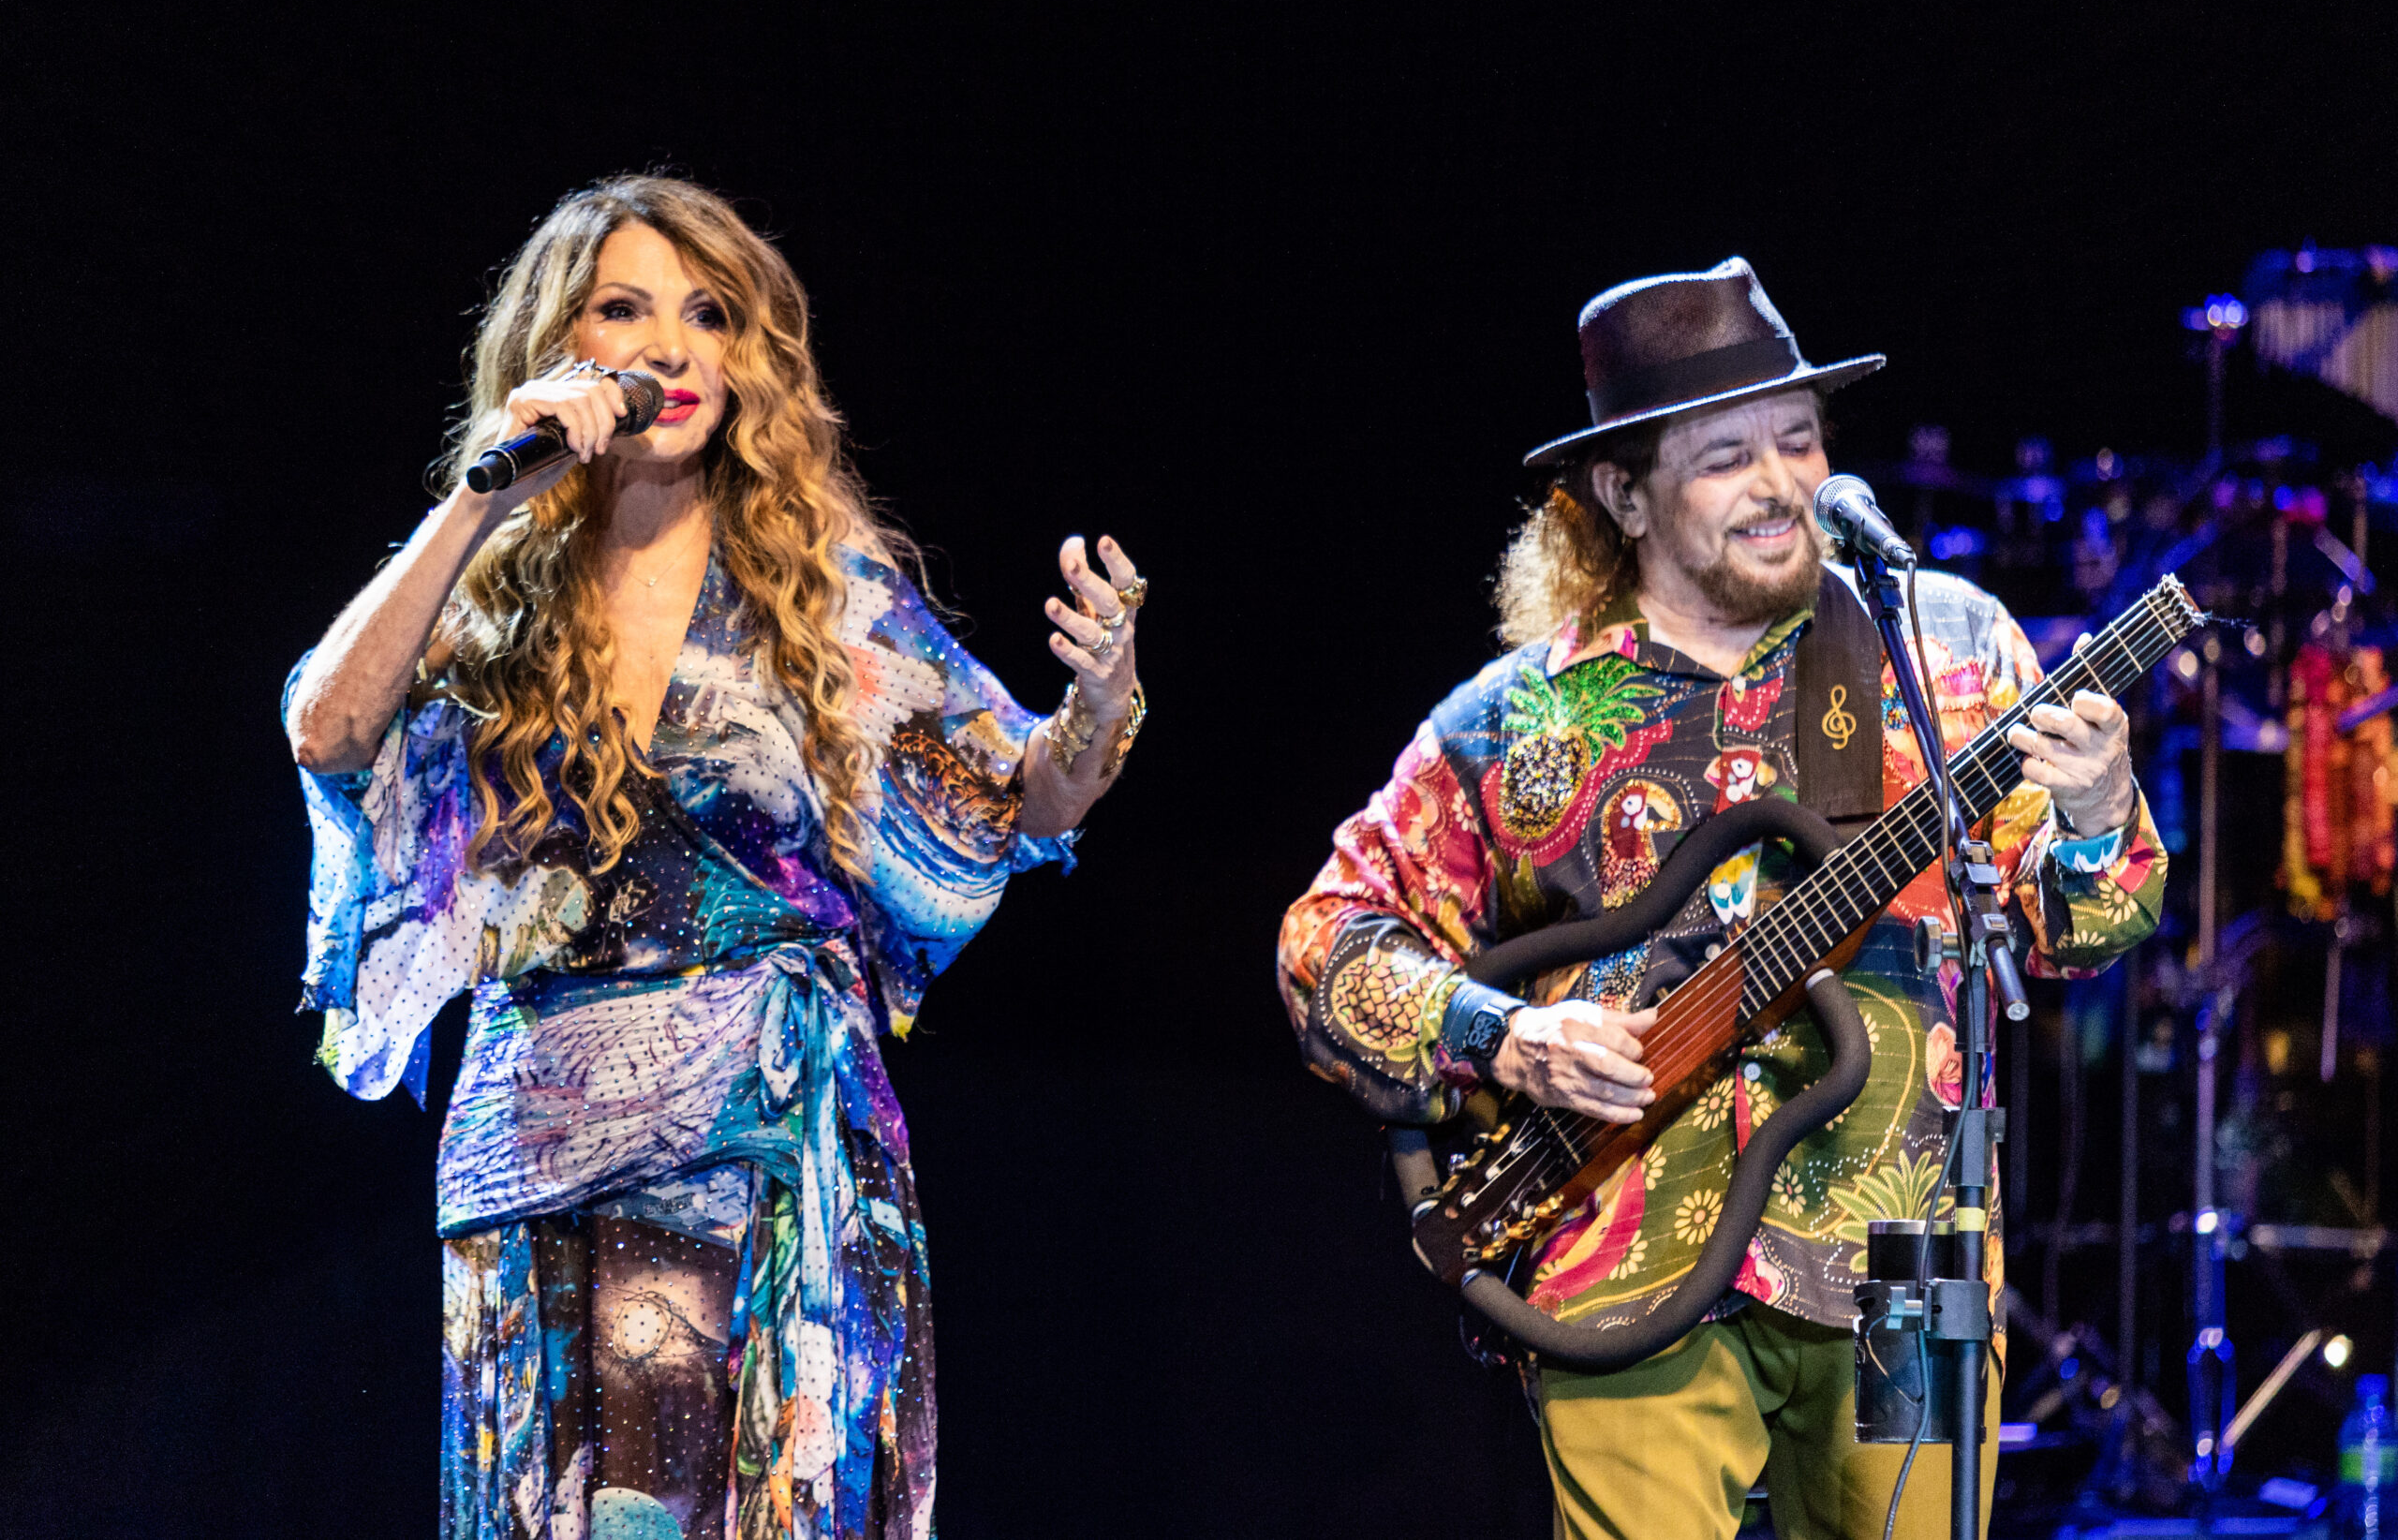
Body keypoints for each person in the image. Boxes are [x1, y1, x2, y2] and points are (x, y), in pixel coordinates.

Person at [284, 174, 1147, 1540]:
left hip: (772, 1150)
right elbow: (329, 730)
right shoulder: (494, 593)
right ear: (559, 348)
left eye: (711, 316)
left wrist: (1101, 710)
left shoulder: (820, 588)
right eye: (626, 310)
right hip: (536, 1160)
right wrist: (478, 501)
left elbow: (1021, 794)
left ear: (751, 359)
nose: (676, 349)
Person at [1276, 259, 2166, 1539]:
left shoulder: (1945, 645)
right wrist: (1505, 1036)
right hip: (1618, 1250)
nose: (1779, 485)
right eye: (1724, 456)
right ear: (1622, 496)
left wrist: (2093, 814)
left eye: (1798, 442)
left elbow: (2081, 929)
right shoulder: (1524, 716)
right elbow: (1323, 943)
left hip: (1904, 1259)